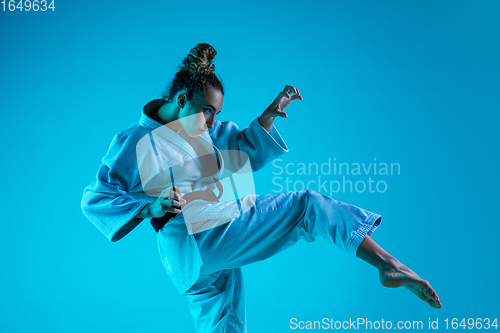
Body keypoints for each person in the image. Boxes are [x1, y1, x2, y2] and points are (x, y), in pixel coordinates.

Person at [81, 43, 441, 333]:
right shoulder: (137, 141)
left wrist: (268, 116)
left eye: (217, 113)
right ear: (180, 101)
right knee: (307, 206)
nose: (212, 121)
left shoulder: (200, 130)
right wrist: (150, 208)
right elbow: (97, 198)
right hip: (198, 235)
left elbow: (238, 146)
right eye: (207, 111)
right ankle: (388, 264)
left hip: (197, 258)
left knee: (227, 327)